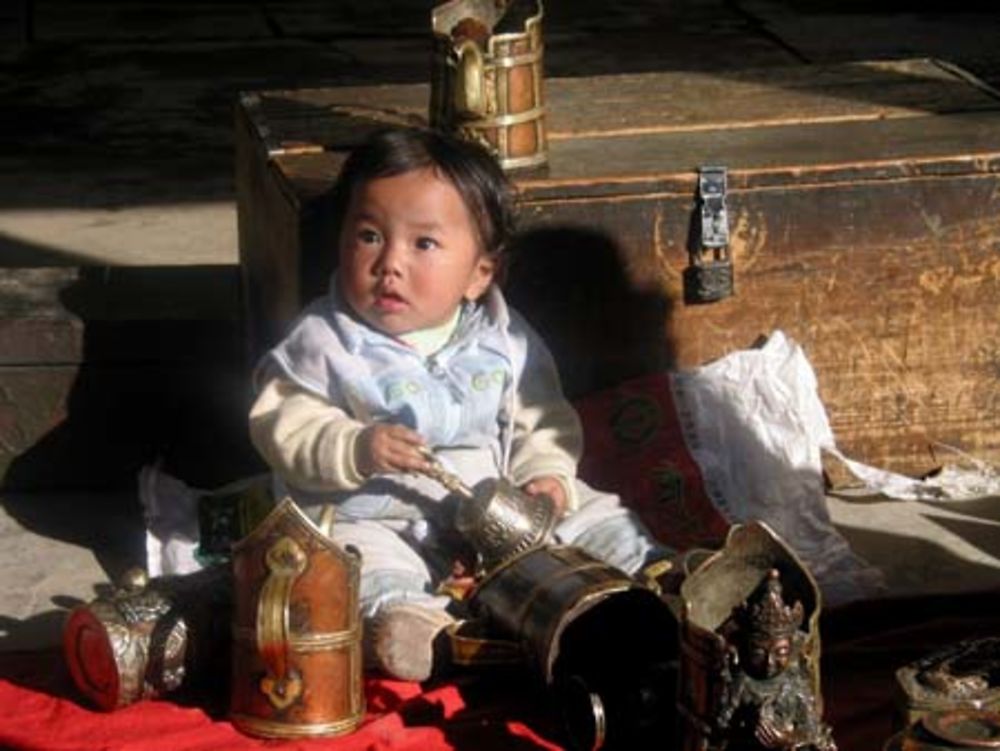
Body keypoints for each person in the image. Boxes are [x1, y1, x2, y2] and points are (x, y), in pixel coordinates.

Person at [248, 126, 673, 682]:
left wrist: (546, 476)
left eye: (423, 244)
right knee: (352, 563)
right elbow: (282, 421)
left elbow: (540, 417)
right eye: (370, 235)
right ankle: (411, 625)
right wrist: (354, 445)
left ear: (479, 274)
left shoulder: (501, 338)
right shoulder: (323, 340)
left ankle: (659, 578)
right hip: (377, 514)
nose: (390, 263)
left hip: (495, 508)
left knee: (594, 511)